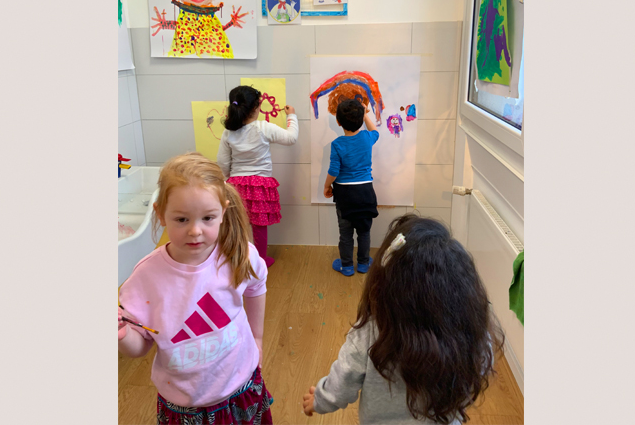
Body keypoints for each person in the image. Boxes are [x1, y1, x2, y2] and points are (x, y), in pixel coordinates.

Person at [302, 214, 505, 424]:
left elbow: (342, 383)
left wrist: (320, 399)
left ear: (383, 282)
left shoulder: (370, 332)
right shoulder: (472, 330)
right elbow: (479, 368)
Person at [118, 153, 273, 424]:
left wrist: (257, 338)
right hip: (183, 406)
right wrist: (121, 334)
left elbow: (256, 285)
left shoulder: (238, 253)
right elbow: (139, 347)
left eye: (208, 218)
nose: (195, 231)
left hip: (242, 388)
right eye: (182, 220)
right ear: (160, 213)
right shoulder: (145, 276)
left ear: (223, 211)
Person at [218, 85, 299, 268]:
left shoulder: (228, 132)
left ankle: (238, 259)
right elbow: (291, 138)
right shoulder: (263, 127)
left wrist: (229, 180)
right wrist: (292, 116)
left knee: (238, 224)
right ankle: (260, 262)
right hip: (259, 184)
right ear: (256, 107)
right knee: (259, 225)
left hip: (235, 184)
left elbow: (222, 162)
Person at [323, 98, 379, 276]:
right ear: (361, 119)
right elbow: (375, 131)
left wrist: (327, 186)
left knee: (346, 233)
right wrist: (365, 115)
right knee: (364, 231)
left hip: (345, 195)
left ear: (338, 122)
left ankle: (346, 266)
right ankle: (363, 264)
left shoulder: (337, 144)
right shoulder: (367, 138)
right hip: (365, 192)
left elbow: (334, 171)